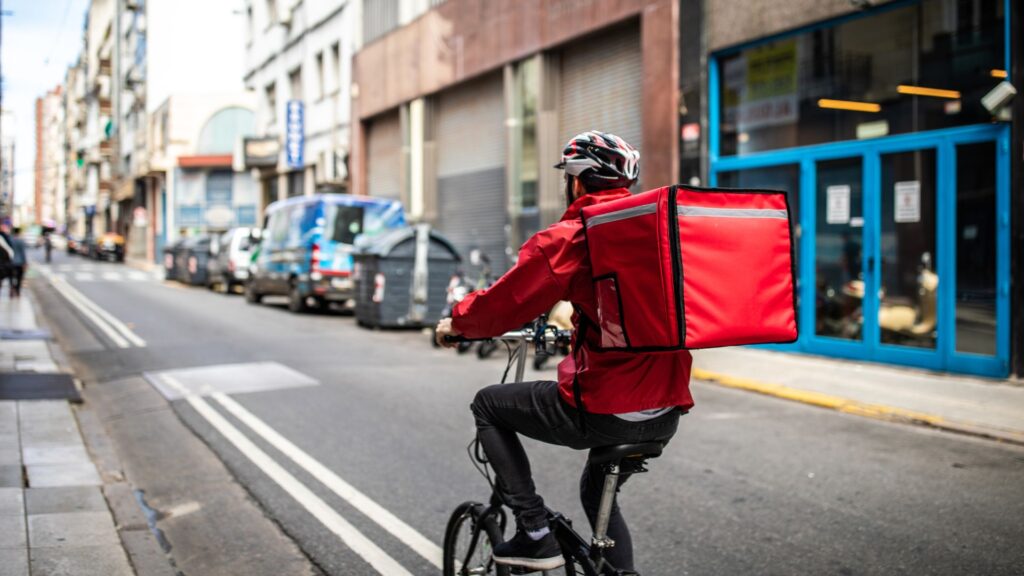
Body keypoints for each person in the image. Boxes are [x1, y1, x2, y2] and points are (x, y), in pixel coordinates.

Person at [436, 131, 694, 573]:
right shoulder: (657, 233)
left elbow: (503, 305)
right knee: (598, 498)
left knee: (489, 405)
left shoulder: (574, 237)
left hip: (608, 406)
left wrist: (457, 324)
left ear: (576, 183)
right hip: (666, 409)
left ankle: (535, 532)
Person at [8, 227, 27, 297]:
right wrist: (25, 262)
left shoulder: (10, 240)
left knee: (11, 276)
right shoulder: (21, 241)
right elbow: (23, 253)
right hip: (19, 262)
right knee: (19, 277)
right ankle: (17, 290)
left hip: (11, 261)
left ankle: (12, 287)